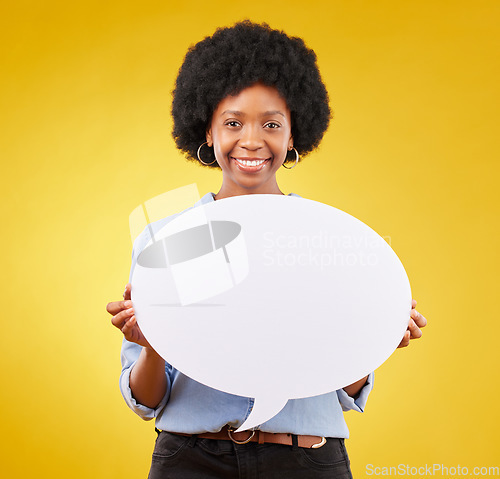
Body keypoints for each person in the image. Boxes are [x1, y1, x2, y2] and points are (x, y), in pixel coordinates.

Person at [106, 21, 427, 478]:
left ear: (294, 134)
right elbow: (146, 401)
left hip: (308, 460)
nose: (252, 141)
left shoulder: (328, 239)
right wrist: (154, 344)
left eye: (271, 124)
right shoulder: (167, 238)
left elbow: (342, 386)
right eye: (232, 123)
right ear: (208, 131)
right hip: (191, 460)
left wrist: (372, 342)